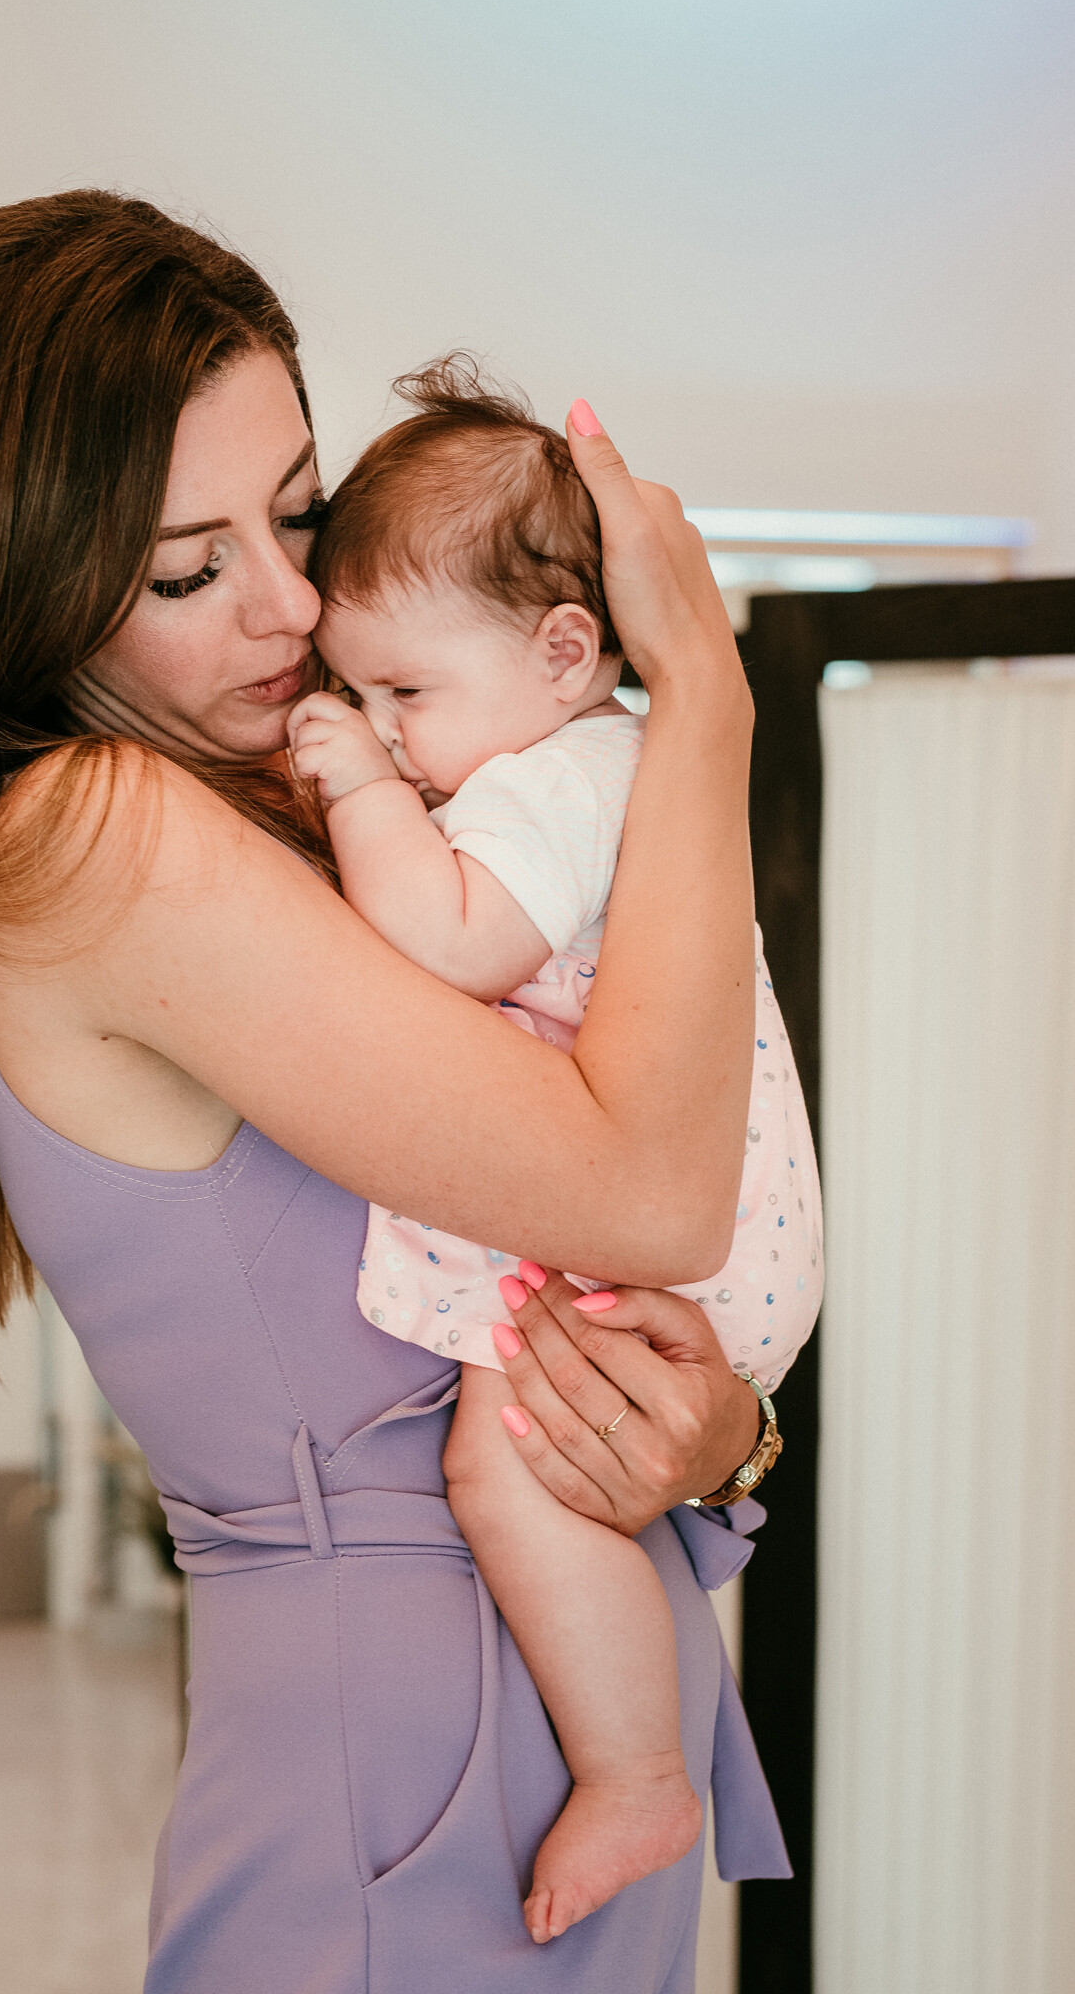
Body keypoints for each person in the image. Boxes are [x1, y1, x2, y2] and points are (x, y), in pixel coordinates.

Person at [0, 189, 790, 1994]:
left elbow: (600, 1265)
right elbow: (659, 1192)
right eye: (186, 572)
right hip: (409, 1779)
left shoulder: (318, 798)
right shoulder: (99, 833)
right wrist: (707, 699)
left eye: (295, 514)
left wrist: (721, 1442)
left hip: (532, 1727)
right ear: (26, 594)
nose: (292, 607)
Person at [287, 357, 822, 1942]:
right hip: (700, 1233)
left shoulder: (563, 779)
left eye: (405, 694)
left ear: (565, 651)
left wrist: (360, 795)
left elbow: (455, 939)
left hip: (683, 1245)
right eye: (361, 698)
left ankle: (638, 1771)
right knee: (522, 1467)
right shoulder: (578, 756)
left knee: (497, 1466)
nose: (387, 733)